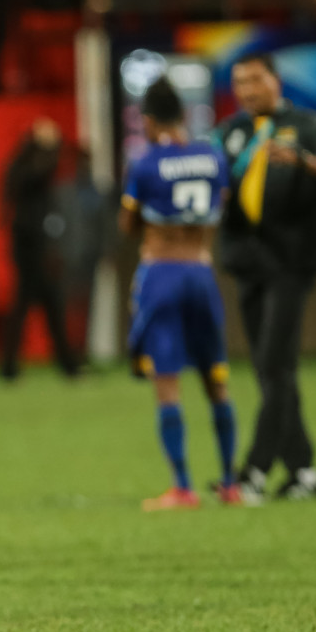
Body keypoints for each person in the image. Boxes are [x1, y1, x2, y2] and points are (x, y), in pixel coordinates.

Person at [214, 53, 316, 503]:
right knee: (271, 370)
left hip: (291, 262)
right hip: (247, 261)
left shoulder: (307, 126)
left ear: (275, 80)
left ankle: (252, 473)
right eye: (239, 82)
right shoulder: (231, 132)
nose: (247, 90)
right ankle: (303, 472)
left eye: (255, 80)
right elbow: (210, 174)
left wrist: (303, 162)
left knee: (274, 365)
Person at [121, 79, 242, 511]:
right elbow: (223, 203)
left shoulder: (145, 162)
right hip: (201, 271)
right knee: (216, 379)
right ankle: (230, 484)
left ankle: (183, 488)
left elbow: (127, 222)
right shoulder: (210, 156)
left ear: (149, 121)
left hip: (162, 273)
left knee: (167, 381)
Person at [0, 118, 80, 380]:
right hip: (26, 246)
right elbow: (31, 178)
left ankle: (67, 366)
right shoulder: (21, 166)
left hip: (42, 245)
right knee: (23, 307)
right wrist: (44, 144)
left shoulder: (38, 166)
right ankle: (10, 368)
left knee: (53, 307)